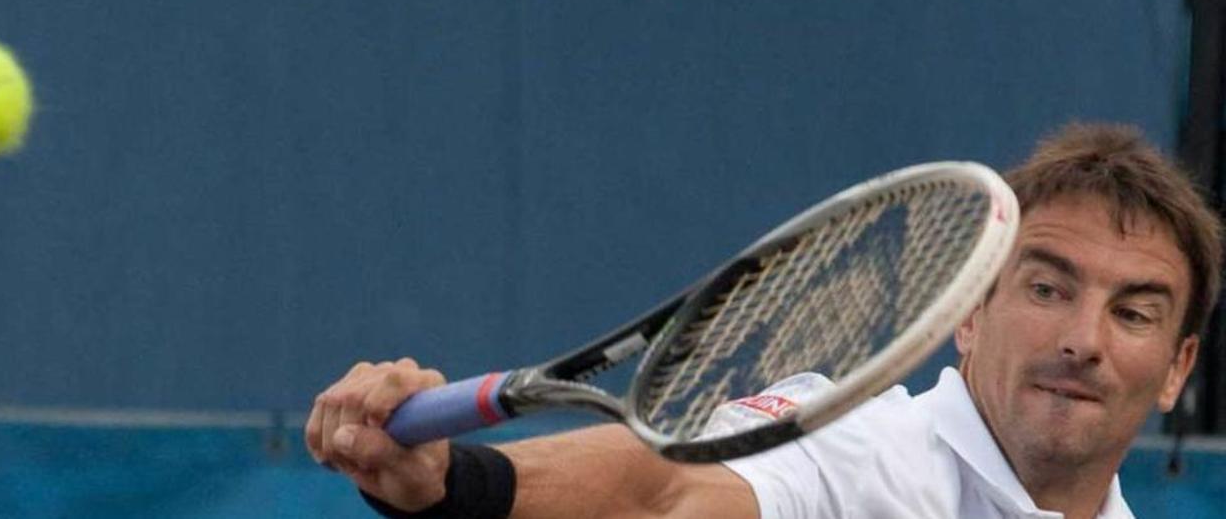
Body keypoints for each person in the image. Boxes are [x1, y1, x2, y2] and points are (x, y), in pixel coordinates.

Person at [306, 122, 1222, 518]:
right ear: (968, 313)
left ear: (1178, 368)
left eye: (1132, 311)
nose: (1082, 340)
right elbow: (658, 491)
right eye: (1048, 288)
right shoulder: (857, 448)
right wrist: (454, 485)